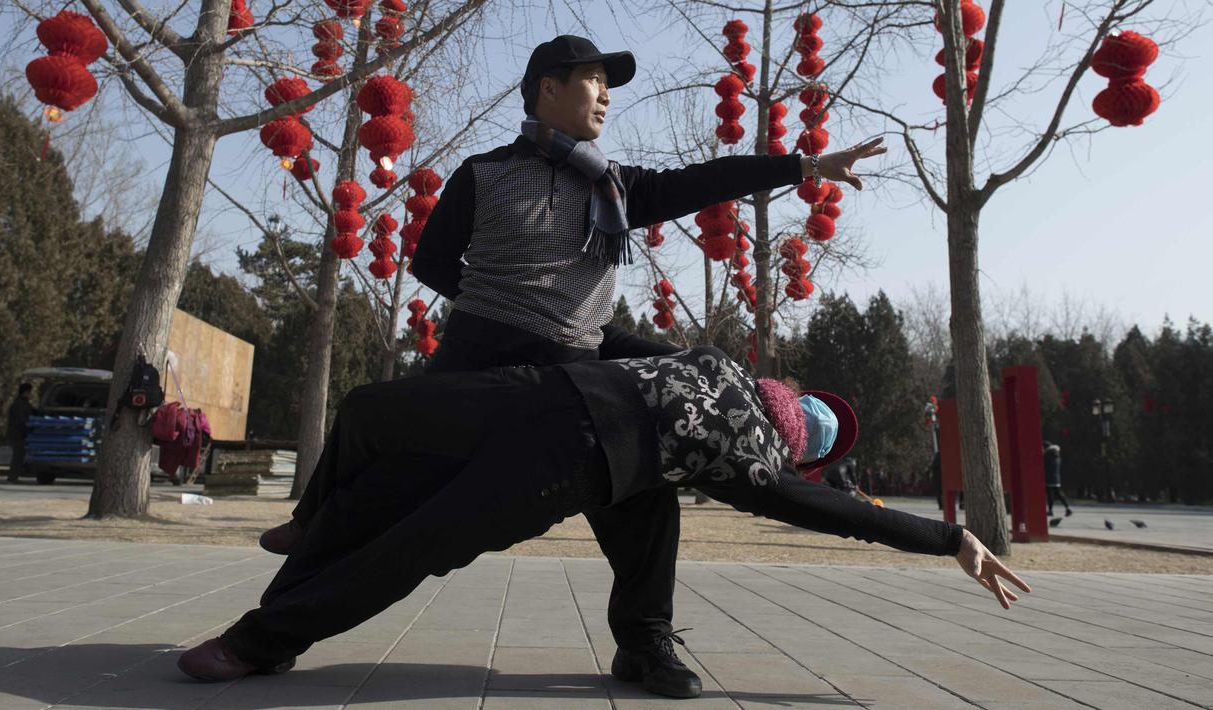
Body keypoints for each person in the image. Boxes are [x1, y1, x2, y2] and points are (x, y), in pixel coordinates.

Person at [258, 33, 888, 699]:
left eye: (607, 83)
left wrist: (805, 166)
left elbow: (707, 180)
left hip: (573, 374)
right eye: (592, 80)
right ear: (547, 89)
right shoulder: (483, 173)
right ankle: (275, 616)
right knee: (380, 501)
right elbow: (432, 262)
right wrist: (508, 303)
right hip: (475, 367)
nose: (606, 94)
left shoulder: (617, 188)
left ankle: (644, 641)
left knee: (644, 479)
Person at [180, 347, 1030, 683]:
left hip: (552, 428)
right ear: (805, 440)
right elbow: (843, 515)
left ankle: (265, 638)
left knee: (403, 502)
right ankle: (311, 529)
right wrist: (949, 538)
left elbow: (616, 333)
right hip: (545, 410)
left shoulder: (722, 380)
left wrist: (947, 533)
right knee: (383, 448)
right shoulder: (749, 443)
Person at [6, 382, 36, 483]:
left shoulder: (25, 403)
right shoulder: (18, 404)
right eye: (30, 392)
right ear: (25, 392)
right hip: (18, 435)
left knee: (19, 456)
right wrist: (29, 428)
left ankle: (14, 477)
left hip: (21, 435)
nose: (31, 394)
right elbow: (21, 421)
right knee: (18, 457)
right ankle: (12, 478)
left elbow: (34, 411)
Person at [1043, 441, 1072, 517]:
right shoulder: (1056, 455)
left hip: (1049, 477)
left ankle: (1050, 510)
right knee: (1058, 493)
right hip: (1056, 477)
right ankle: (1067, 508)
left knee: (1050, 494)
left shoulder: (1047, 456)